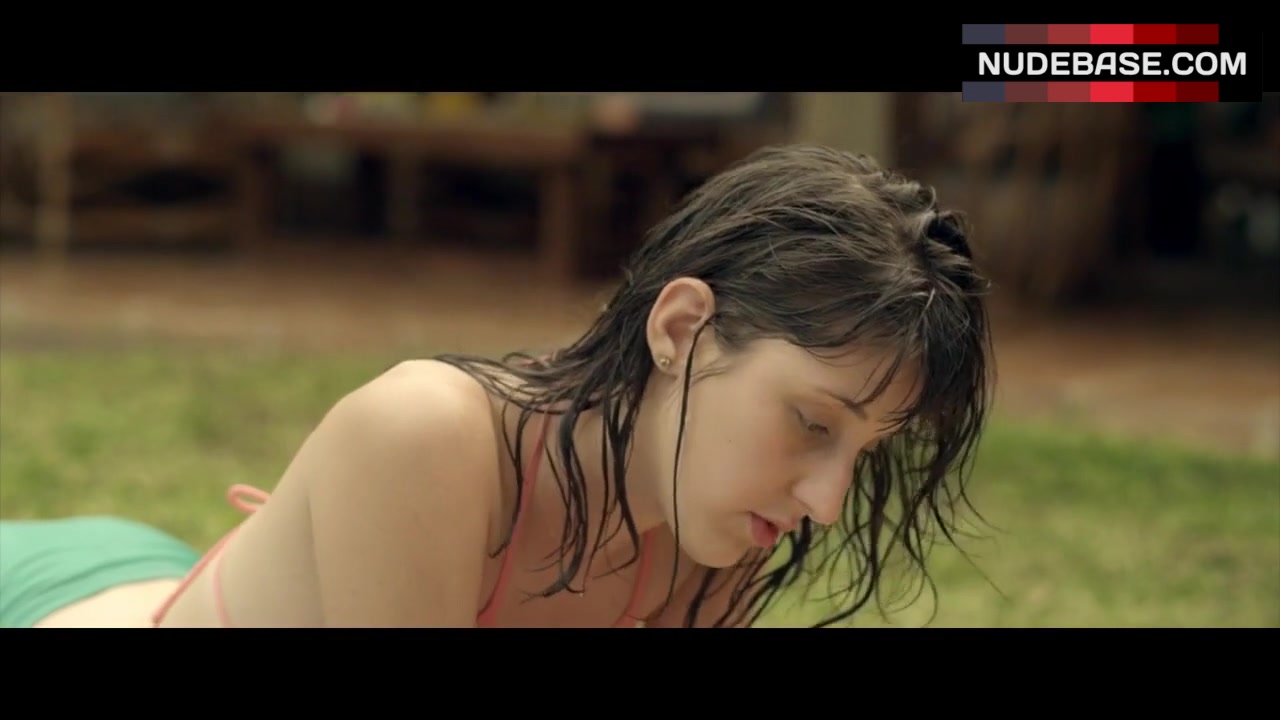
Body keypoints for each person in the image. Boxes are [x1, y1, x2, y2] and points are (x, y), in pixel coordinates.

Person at [1, 144, 993, 629]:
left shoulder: (712, 534)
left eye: (863, 451)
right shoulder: (424, 432)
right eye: (811, 422)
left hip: (157, 564)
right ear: (680, 328)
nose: (827, 501)